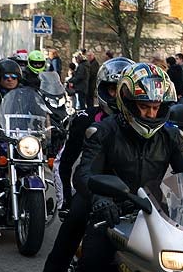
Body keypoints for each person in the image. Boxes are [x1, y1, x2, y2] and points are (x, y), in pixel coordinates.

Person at [38, 63, 183, 272]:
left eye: (157, 107)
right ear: (128, 104)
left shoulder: (170, 136)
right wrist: (101, 198)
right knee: (94, 260)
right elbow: (84, 173)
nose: (151, 114)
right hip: (111, 209)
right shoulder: (104, 131)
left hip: (153, 211)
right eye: (144, 106)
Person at [54, 56, 134, 214]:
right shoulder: (85, 120)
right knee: (70, 230)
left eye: (123, 90)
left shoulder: (147, 121)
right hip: (92, 192)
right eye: (113, 89)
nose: (118, 96)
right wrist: (66, 201)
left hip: (134, 196)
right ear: (103, 89)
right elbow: (63, 162)